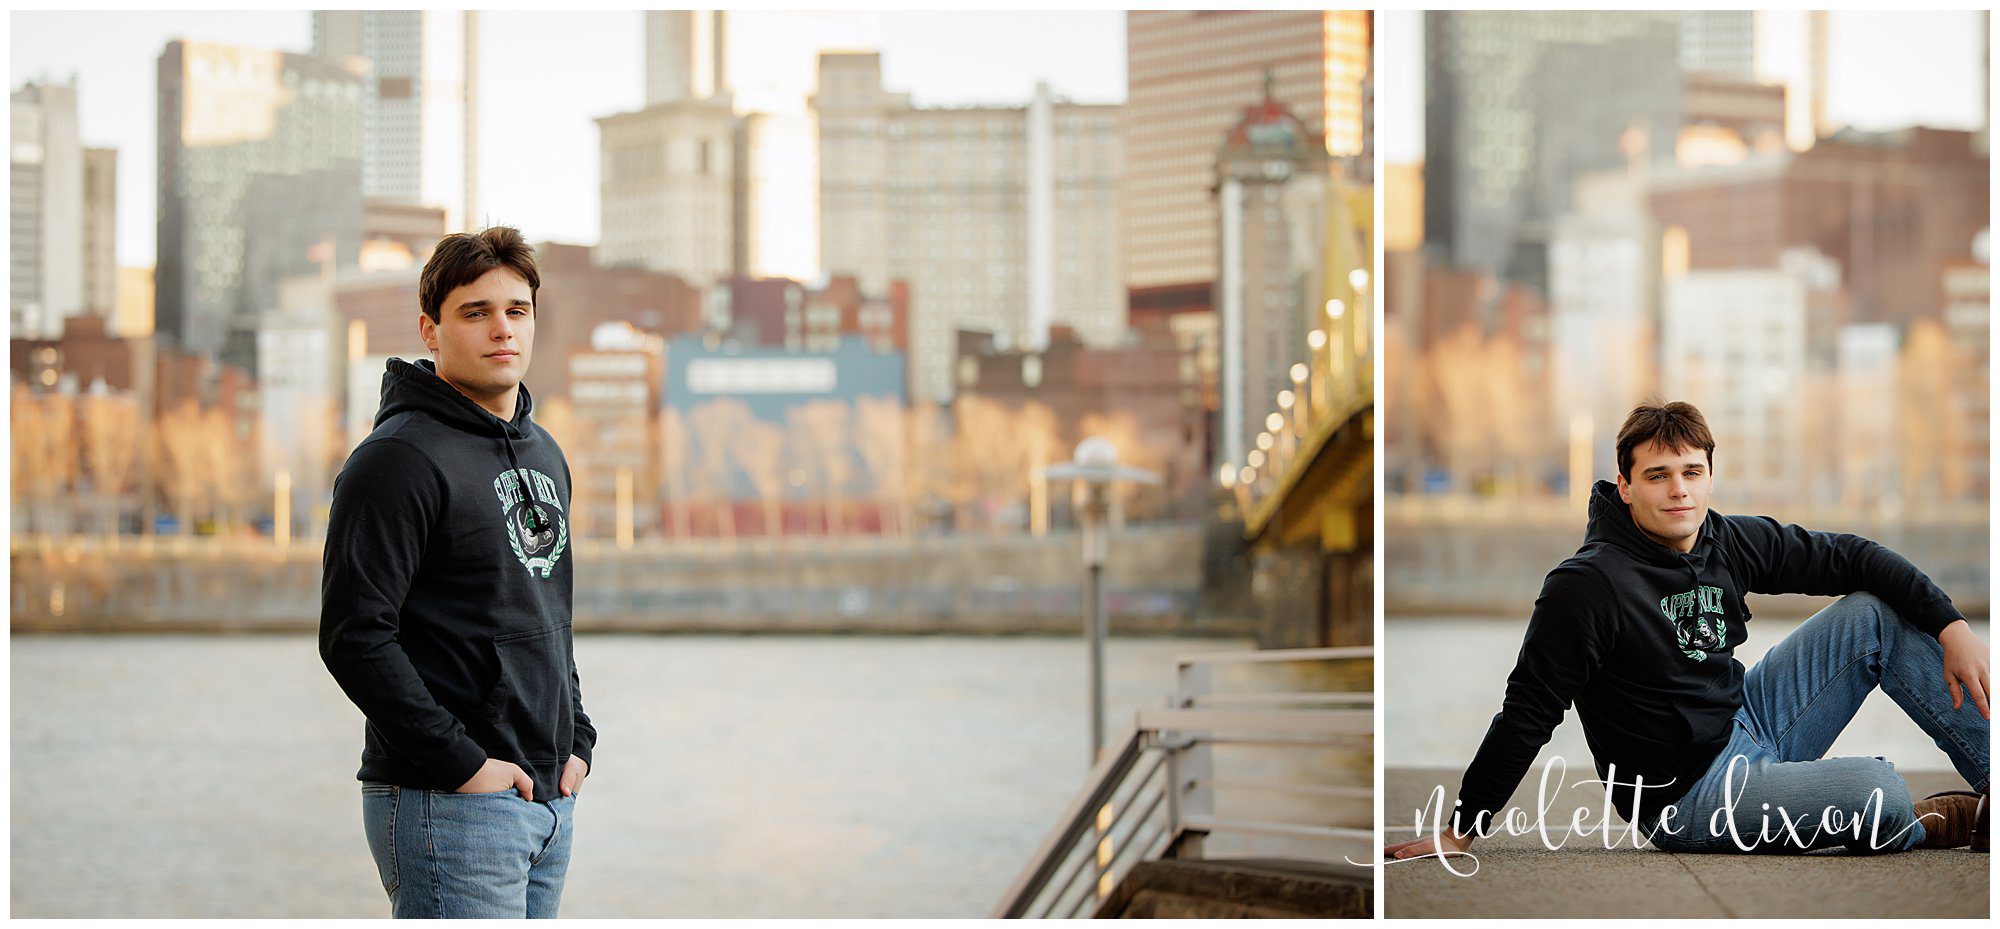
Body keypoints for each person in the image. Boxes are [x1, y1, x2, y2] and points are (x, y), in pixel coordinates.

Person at [1386, 400, 1988, 860]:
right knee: (1875, 789)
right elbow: (1527, 711)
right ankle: (1930, 821)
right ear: (1625, 487)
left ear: (1707, 477)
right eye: (1657, 475)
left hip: (1748, 721)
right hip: (1690, 798)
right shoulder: (1588, 586)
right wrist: (1461, 829)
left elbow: (1851, 555)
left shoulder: (1724, 539)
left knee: (1873, 616)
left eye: (1692, 472)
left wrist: (1950, 625)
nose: (1679, 489)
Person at [321, 226, 596, 917]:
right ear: (431, 329)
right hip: (449, 804)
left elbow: (546, 616)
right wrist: (464, 766)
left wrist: (578, 737)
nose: (501, 328)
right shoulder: (396, 460)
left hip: (546, 798)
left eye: (516, 310)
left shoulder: (545, 453)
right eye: (475, 312)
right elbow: (355, 637)